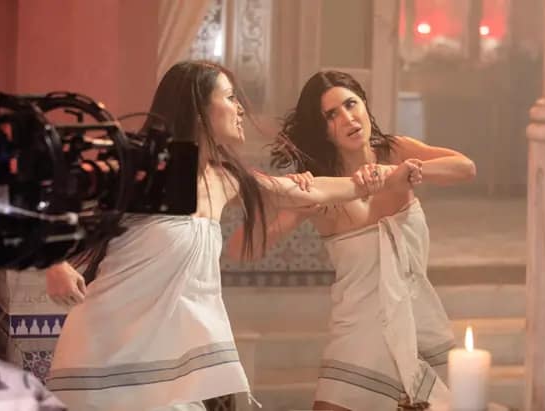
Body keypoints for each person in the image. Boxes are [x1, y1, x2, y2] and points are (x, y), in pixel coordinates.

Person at [42, 61, 416, 411]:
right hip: (106, 353)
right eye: (230, 97)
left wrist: (378, 179)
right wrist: (56, 264)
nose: (240, 109)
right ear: (200, 110)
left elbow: (306, 192)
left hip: (171, 360)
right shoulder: (143, 170)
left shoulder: (224, 179)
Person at [231, 70, 476, 411]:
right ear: (323, 130)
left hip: (419, 328)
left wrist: (399, 173)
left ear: (364, 105)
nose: (347, 118)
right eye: (331, 115)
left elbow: (465, 167)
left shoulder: (396, 152)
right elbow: (239, 249)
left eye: (351, 104)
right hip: (358, 338)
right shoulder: (321, 188)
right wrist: (295, 206)